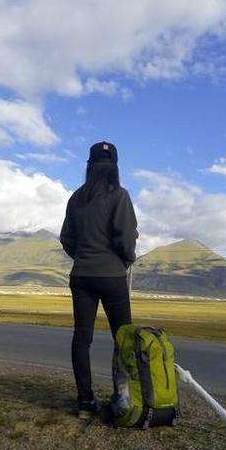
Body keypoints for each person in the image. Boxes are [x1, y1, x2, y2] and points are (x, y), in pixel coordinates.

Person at [60, 141, 138, 419]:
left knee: (82, 339)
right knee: (124, 339)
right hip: (112, 276)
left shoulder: (76, 198)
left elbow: (66, 238)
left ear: (89, 166)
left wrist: (83, 256)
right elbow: (126, 238)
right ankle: (123, 400)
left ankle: (85, 401)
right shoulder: (119, 195)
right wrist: (125, 260)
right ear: (115, 167)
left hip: (81, 276)